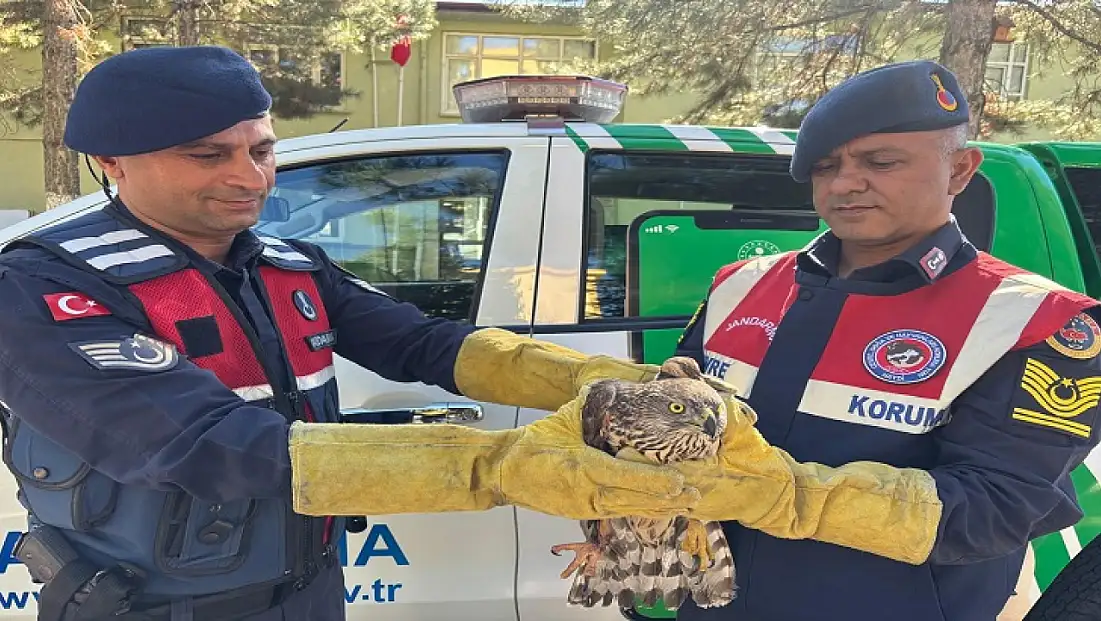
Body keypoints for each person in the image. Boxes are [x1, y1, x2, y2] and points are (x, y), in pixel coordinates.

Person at [0, 46, 696, 621]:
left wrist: (598, 381)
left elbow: (422, 343)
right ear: (112, 163)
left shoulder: (287, 264)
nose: (250, 177)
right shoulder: (39, 286)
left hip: (310, 592)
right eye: (207, 155)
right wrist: (503, 465)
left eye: (262, 149)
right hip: (152, 606)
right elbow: (203, 444)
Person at [664, 59, 1101, 621]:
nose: (846, 183)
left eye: (881, 162)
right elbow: (677, 420)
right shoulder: (741, 285)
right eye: (826, 166)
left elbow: (999, 508)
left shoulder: (1035, 321)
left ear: (961, 170)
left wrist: (790, 498)